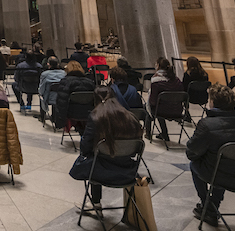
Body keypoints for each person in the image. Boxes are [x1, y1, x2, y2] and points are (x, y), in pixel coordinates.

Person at [185, 83, 235, 226]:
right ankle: (213, 206)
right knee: (223, 163)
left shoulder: (206, 125)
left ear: (212, 102)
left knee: (196, 164)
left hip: (222, 177)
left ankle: (208, 205)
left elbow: (191, 153)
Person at [69, 86, 143, 219]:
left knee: (94, 158)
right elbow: (136, 147)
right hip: (128, 171)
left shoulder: (95, 116)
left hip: (101, 172)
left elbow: (85, 147)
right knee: (99, 157)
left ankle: (96, 203)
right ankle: (97, 205)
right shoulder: (129, 116)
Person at [50, 61, 96, 130]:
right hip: (89, 113)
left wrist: (60, 121)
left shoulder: (65, 82)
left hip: (71, 114)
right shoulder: (90, 82)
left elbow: (61, 103)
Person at [147, 57, 184, 141]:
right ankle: (164, 133)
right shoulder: (177, 80)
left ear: (158, 66)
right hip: (177, 110)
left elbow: (152, 101)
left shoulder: (156, 81)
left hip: (163, 111)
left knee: (150, 109)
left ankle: (148, 134)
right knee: (162, 105)